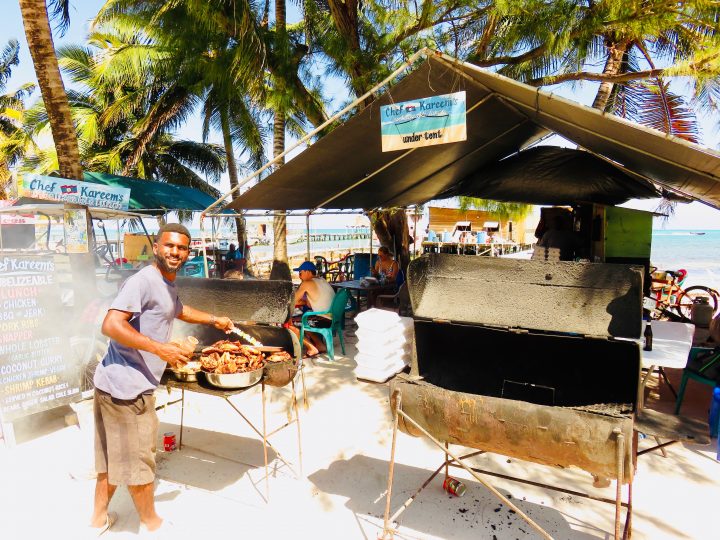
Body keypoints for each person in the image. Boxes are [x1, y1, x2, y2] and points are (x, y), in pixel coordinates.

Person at [89, 223, 233, 535]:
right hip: (127, 390)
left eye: (181, 248)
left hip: (112, 383)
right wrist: (160, 349)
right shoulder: (142, 280)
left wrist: (213, 319)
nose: (175, 252)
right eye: (169, 246)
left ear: (187, 252)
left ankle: (97, 520)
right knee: (141, 464)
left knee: (111, 459)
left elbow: (176, 309)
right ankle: (152, 524)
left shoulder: (166, 283)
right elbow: (111, 324)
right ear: (156, 247)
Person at [289, 261, 336, 357]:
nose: (299, 276)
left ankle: (311, 348)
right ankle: (320, 345)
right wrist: (305, 302)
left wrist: (301, 301)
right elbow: (311, 303)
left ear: (308, 272)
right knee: (304, 317)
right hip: (334, 318)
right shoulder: (321, 280)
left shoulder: (307, 283)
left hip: (324, 320)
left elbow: (293, 301)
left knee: (290, 323)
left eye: (300, 273)